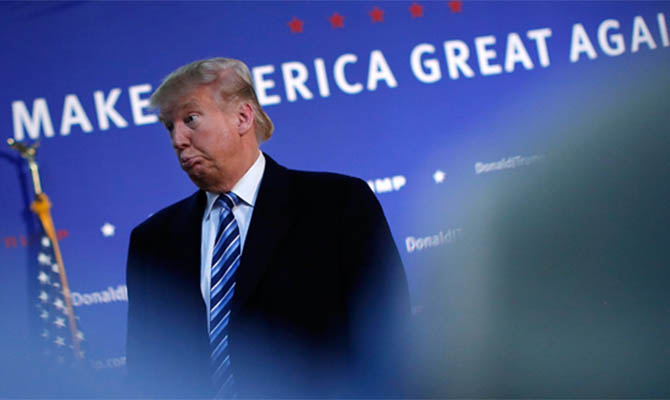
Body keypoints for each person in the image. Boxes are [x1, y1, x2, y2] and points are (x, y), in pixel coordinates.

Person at [125, 57, 411, 398]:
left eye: (190, 119)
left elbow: (388, 337)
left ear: (243, 117)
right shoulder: (151, 242)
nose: (178, 139)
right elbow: (146, 373)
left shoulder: (338, 203)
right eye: (169, 127)